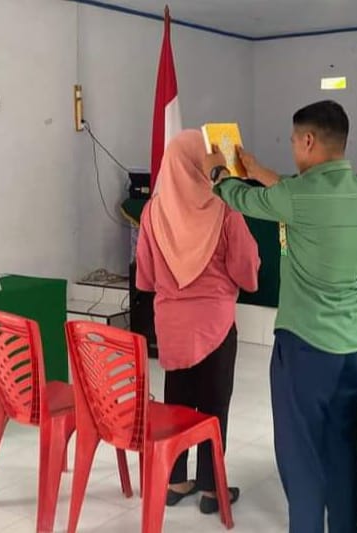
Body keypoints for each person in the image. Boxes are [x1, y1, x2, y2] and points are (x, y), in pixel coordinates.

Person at [205, 100, 357, 533]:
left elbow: (244, 197)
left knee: (300, 458)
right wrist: (258, 166)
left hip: (306, 346)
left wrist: (218, 172)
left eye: (293, 141)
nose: (293, 149)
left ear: (309, 140)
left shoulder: (297, 198)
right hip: (353, 346)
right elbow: (291, 192)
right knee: (342, 450)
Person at [135, 129, 260, 514]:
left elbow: (145, 277)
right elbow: (247, 272)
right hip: (216, 326)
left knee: (177, 403)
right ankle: (210, 489)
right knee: (213, 406)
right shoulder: (225, 209)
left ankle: (175, 480)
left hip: (171, 325)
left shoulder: (152, 211)